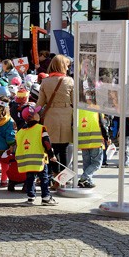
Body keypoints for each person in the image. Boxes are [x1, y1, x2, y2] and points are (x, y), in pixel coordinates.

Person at [37, 54, 74, 183]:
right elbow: (74, 101)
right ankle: (63, 178)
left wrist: (33, 114)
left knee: (52, 148)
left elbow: (40, 103)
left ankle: (54, 175)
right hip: (66, 115)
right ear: (62, 66)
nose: (68, 68)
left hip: (50, 115)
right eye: (67, 65)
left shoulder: (45, 81)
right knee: (64, 148)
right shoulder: (69, 81)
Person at [12, 105, 57, 206]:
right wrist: (52, 155)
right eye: (36, 113)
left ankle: (30, 197)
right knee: (44, 178)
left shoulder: (21, 131)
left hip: (27, 161)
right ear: (33, 117)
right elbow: (47, 143)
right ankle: (46, 198)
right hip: (39, 160)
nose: (38, 114)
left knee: (30, 178)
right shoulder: (41, 129)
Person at [77, 109, 108, 188]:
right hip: (96, 141)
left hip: (83, 141)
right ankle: (84, 178)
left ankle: (88, 181)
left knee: (86, 164)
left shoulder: (79, 110)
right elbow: (102, 125)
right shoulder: (97, 110)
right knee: (97, 164)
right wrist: (107, 137)